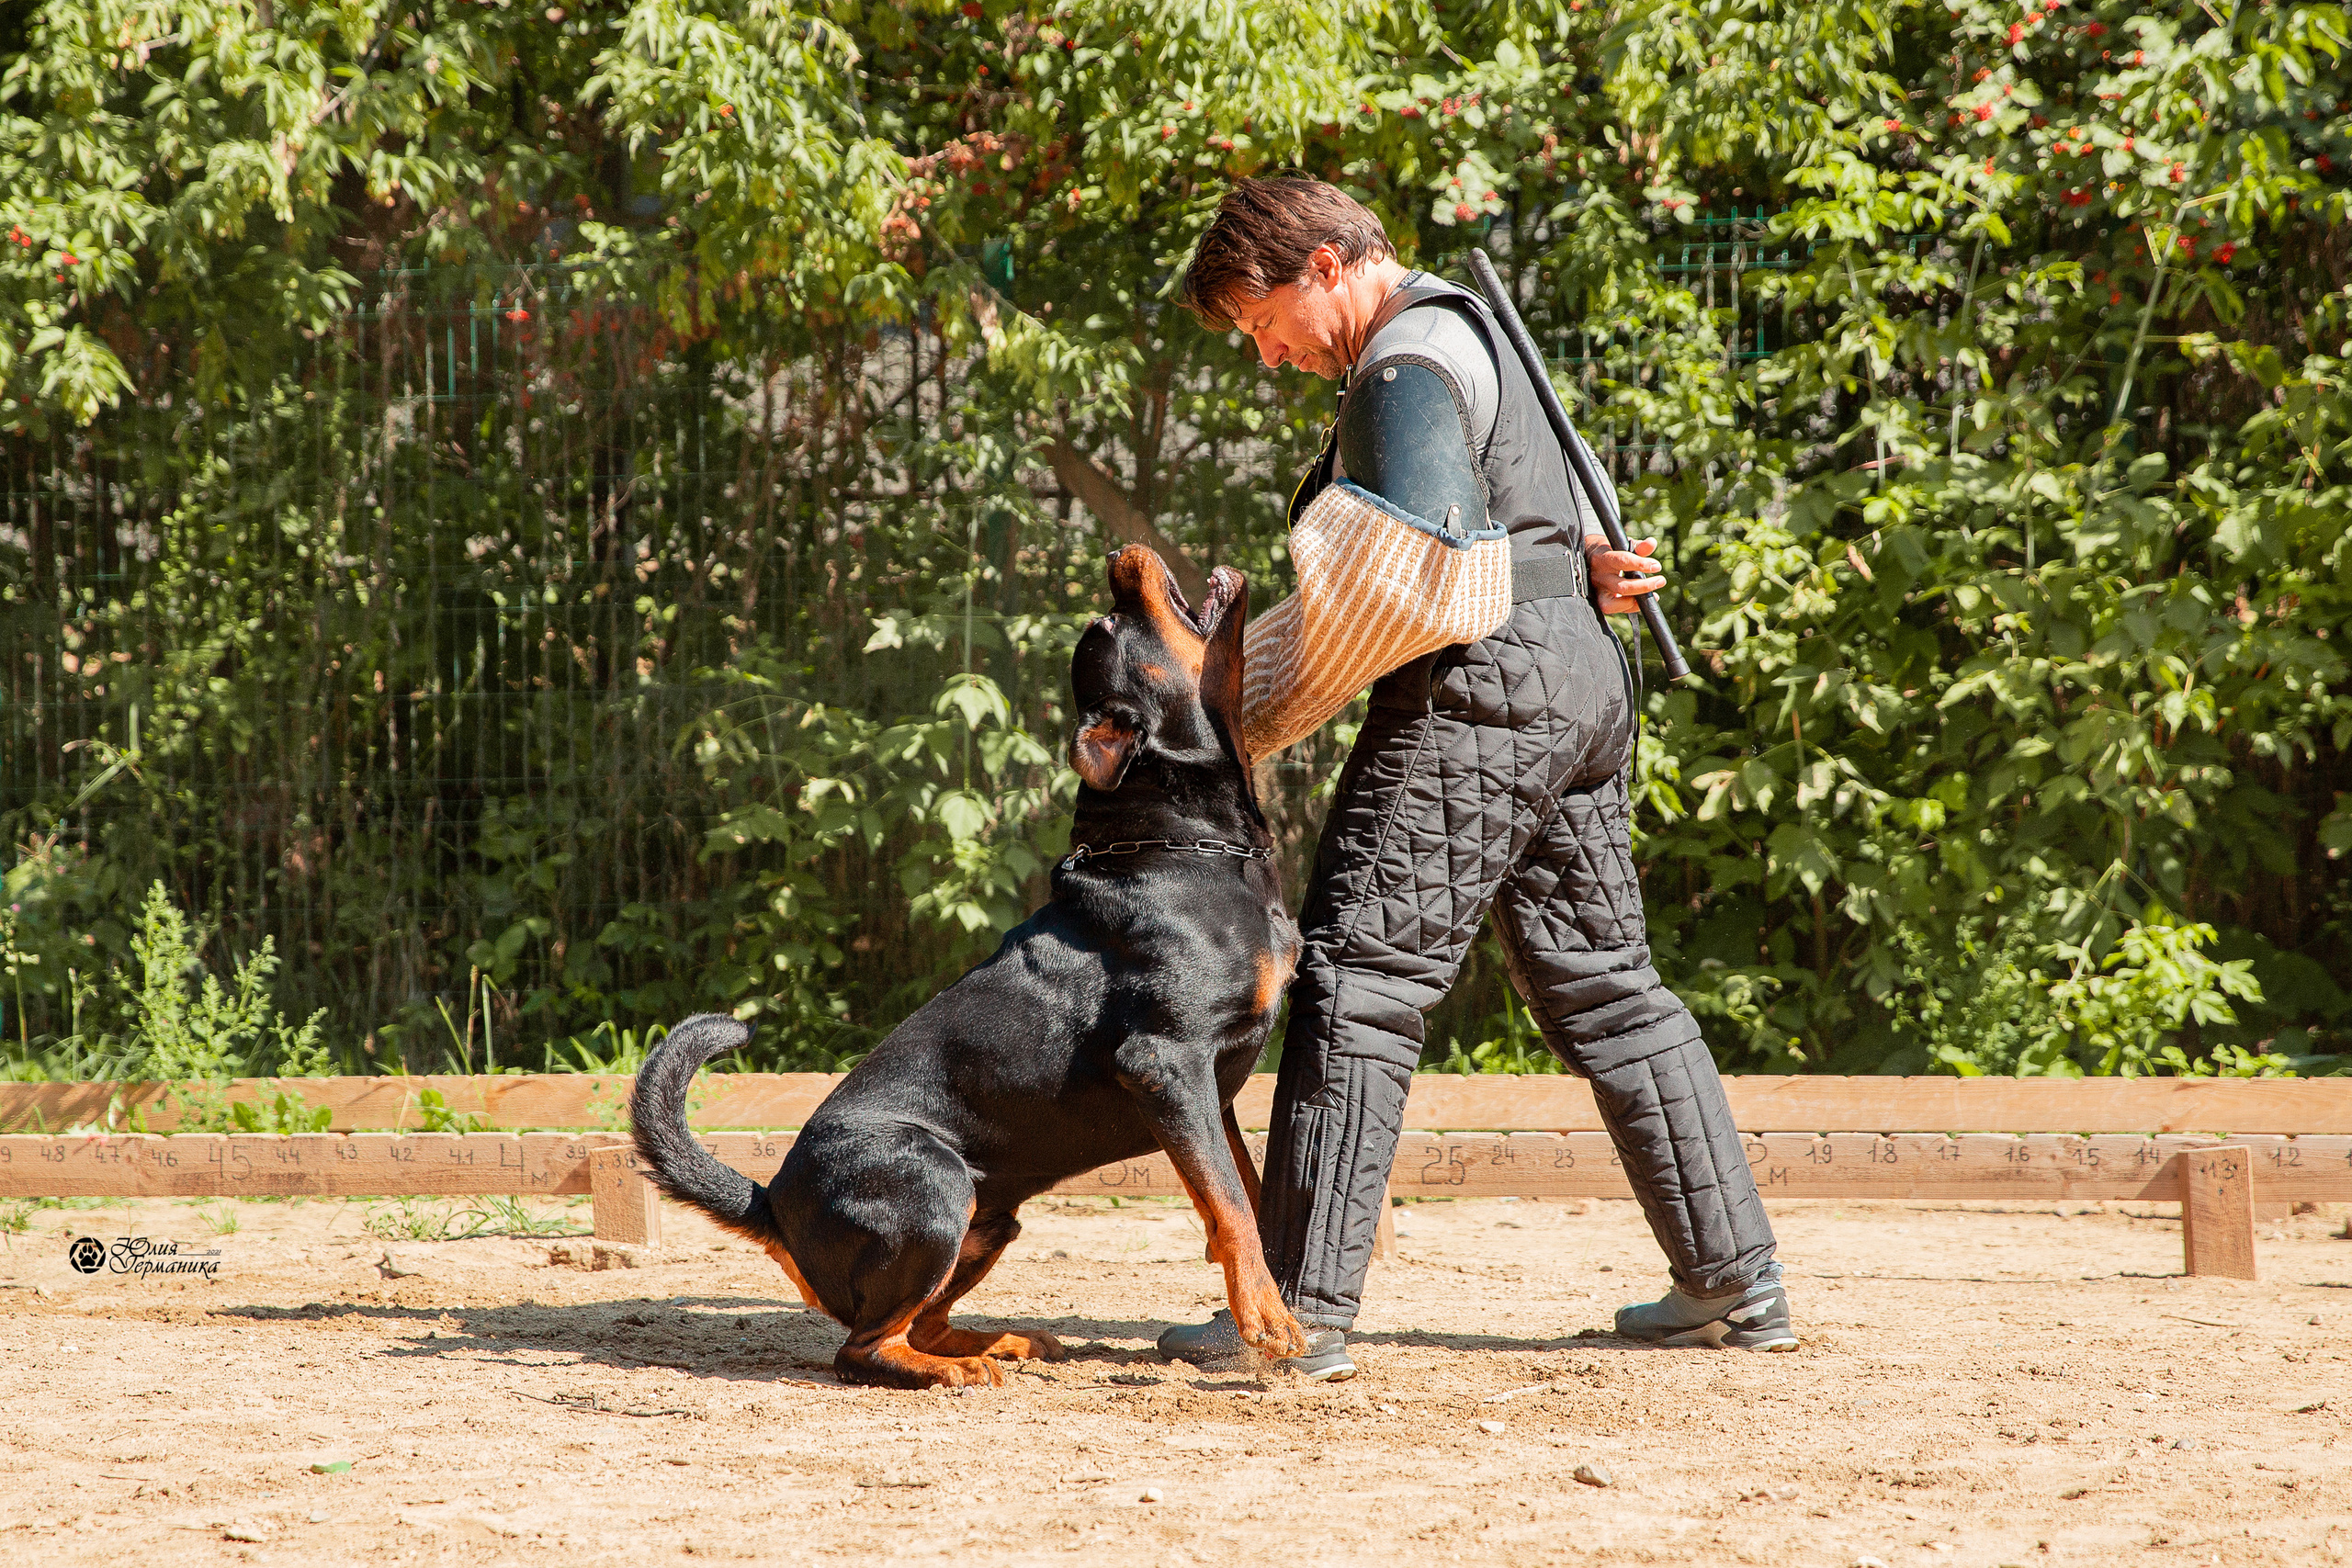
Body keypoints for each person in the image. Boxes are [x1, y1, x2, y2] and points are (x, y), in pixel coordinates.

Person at [1155, 178, 1792, 1381]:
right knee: (1606, 983)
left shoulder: (1401, 368)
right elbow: (1549, 527)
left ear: (1328, 264)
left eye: (1262, 319)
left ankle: (1295, 1311)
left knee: (1359, 976)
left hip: (1481, 690)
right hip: (1581, 680)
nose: (1270, 353)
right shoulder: (1474, 327)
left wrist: (1241, 707)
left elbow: (1404, 586)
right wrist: (1589, 573)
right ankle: (1735, 1278)